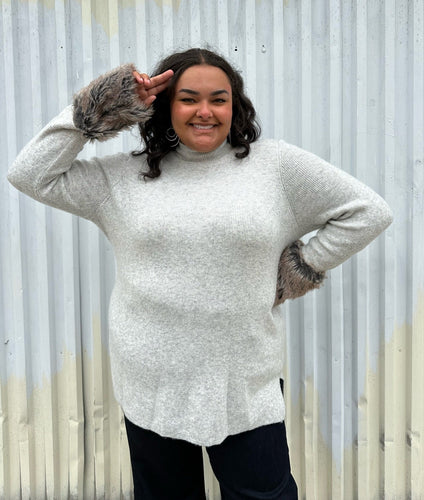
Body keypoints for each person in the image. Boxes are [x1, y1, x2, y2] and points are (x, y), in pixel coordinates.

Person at [8, 48, 393, 500]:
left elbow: (368, 212)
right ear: (164, 106)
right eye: (188, 99)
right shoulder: (121, 178)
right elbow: (30, 174)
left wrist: (302, 267)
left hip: (245, 382)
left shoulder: (276, 168)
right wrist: (102, 106)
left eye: (219, 99)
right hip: (151, 380)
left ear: (236, 106)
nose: (205, 112)